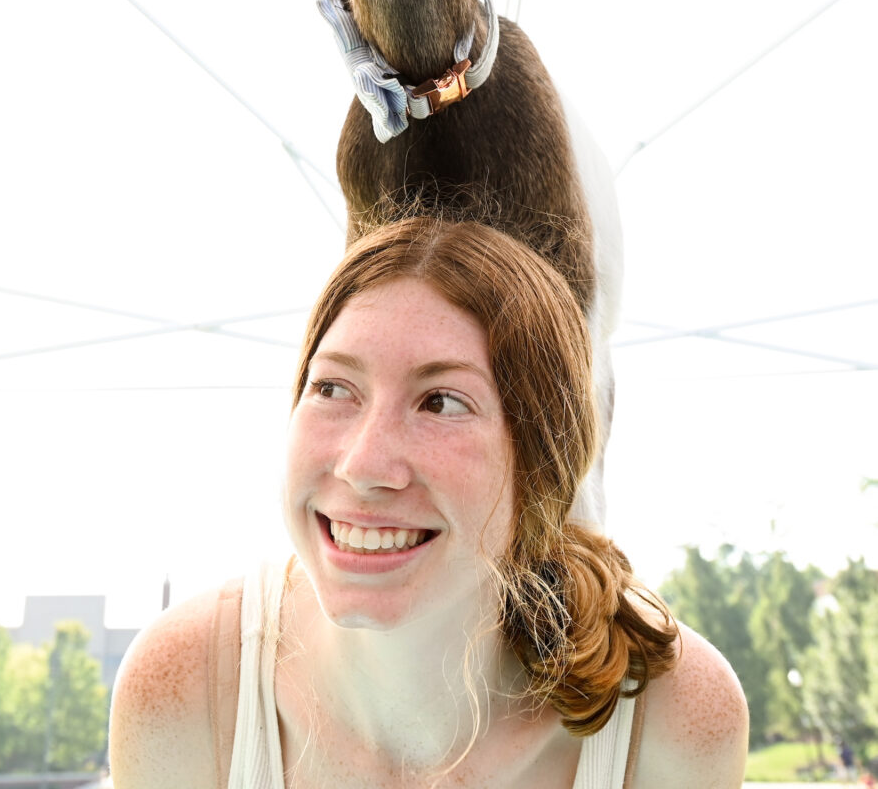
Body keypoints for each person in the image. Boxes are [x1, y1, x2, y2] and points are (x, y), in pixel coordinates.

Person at [110, 216, 749, 787]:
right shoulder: (186, 689)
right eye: (333, 388)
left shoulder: (673, 720)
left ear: (541, 470)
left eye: (440, 402)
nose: (362, 466)